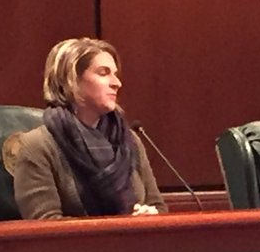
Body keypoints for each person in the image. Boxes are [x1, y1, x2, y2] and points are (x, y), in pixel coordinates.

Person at [11, 38, 166, 219]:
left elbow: (158, 207)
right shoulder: (38, 146)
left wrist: (149, 216)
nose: (117, 83)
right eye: (103, 73)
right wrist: (121, 227)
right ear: (72, 80)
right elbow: (45, 226)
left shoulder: (129, 140)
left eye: (115, 74)